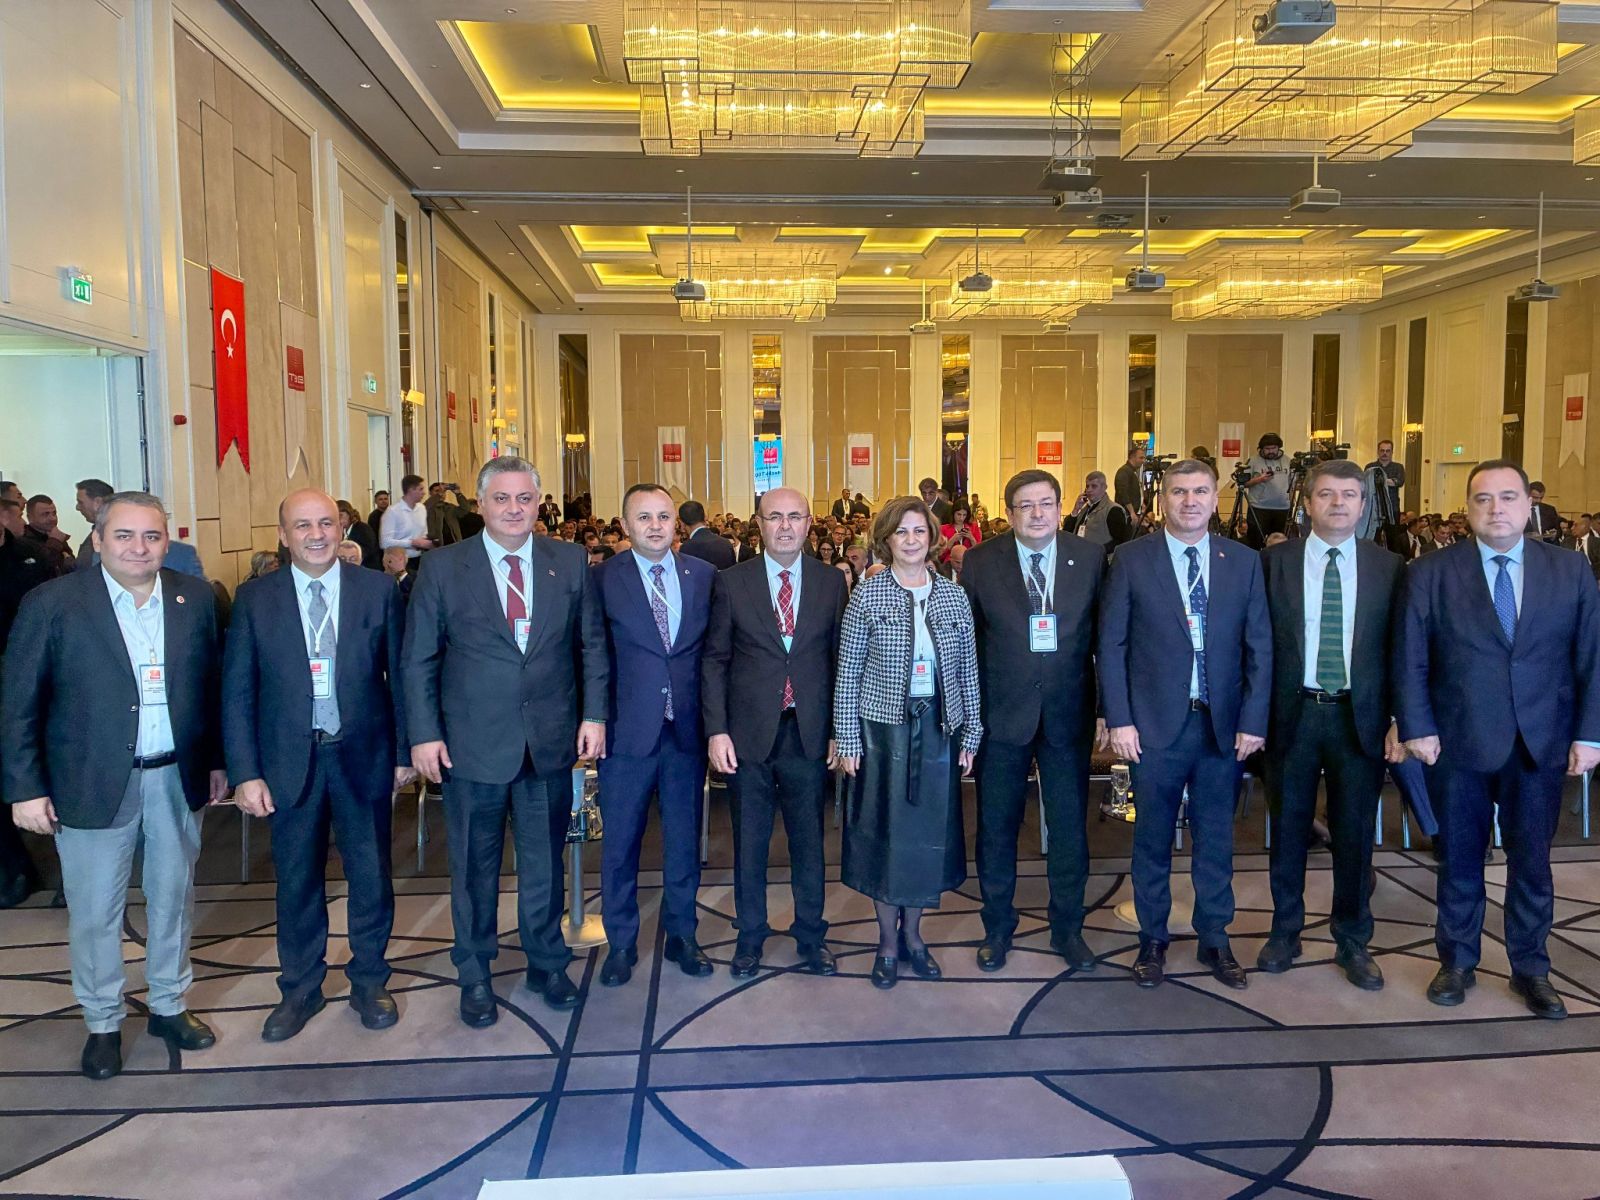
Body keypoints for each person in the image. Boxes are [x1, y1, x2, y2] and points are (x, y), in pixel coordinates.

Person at [2, 492, 226, 1080]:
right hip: (90, 781)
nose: (139, 548)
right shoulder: (53, 603)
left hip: (176, 776)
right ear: (98, 539)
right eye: (124, 535)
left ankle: (169, 1005)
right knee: (96, 911)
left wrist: (217, 761)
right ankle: (102, 1021)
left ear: (167, 541)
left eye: (152, 536)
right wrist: (24, 787)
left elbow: (211, 688)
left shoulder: (195, 597)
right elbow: (18, 702)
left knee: (174, 899)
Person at [402, 457, 607, 1020]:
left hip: (548, 742)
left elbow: (591, 646)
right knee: (475, 869)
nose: (514, 509)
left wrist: (594, 715)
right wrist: (423, 733)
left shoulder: (569, 561)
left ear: (539, 504)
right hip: (470, 745)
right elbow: (418, 658)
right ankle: (474, 972)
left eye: (524, 499)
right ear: (481, 504)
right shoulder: (442, 568)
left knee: (544, 865)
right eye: (501, 498)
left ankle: (547, 964)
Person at [1396, 460, 1600, 1018]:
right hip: (1456, 742)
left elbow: (1592, 657)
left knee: (1532, 863)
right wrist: (1416, 726)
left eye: (1508, 497)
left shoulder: (1569, 570)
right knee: (1459, 860)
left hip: (1541, 741)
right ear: (1467, 509)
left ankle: (1531, 968)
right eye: (1483, 499)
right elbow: (1410, 657)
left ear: (1530, 505)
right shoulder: (1431, 572)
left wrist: (1590, 735)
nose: (1496, 509)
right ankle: (1457, 961)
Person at [222, 490, 411, 1041]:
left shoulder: (377, 590)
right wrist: (245, 772)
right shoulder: (255, 599)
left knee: (370, 876)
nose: (316, 535)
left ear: (341, 528)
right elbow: (238, 691)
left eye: (326, 523)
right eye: (302, 525)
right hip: (288, 761)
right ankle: (300, 988)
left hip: (363, 755)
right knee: (297, 881)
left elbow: (400, 678)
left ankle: (370, 980)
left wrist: (404, 753)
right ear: (283, 536)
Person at [1099, 460, 1271, 991]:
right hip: (1152, 729)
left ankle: (1214, 937)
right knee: (1151, 838)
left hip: (1223, 728)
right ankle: (1152, 938)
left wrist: (1254, 719)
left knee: (1215, 839)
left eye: (1200, 491)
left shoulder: (1243, 561)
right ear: (1162, 500)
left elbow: (1260, 647)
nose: (1190, 501)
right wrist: (1120, 718)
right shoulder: (1131, 559)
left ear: (1215, 499)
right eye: (1178, 491)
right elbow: (1112, 644)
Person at [1258, 461, 1405, 990]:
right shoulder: (1272, 563)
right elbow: (1256, 646)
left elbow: (1401, 650)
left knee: (1355, 833)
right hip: (1291, 714)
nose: (1338, 503)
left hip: (1359, 718)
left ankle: (1353, 939)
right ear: (1307, 504)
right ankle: (1285, 931)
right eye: (1326, 494)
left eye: (1348, 495)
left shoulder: (1391, 567)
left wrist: (1399, 718)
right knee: (1288, 830)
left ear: (1363, 505)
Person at [834, 496, 981, 989]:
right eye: (902, 532)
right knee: (886, 839)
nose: (912, 540)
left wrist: (972, 732)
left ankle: (915, 936)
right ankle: (887, 943)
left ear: (932, 538)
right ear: (886, 540)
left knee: (924, 840)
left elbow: (968, 671)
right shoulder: (867, 596)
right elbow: (848, 672)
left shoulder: (954, 596)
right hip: (881, 732)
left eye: (919, 531)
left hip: (940, 729)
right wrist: (847, 739)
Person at [962, 470, 1106, 972]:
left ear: (1061, 508)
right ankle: (997, 928)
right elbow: (968, 645)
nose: (1037, 513)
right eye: (1025, 505)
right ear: (1009, 513)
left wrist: (1106, 709)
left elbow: (1105, 639)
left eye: (1046, 503)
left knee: (1068, 829)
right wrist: (969, 715)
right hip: (1001, 715)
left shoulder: (1090, 557)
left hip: (1069, 712)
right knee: (996, 828)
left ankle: (1068, 930)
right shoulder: (981, 561)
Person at [703, 487, 846, 978]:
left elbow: (839, 661)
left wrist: (839, 730)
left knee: (810, 842)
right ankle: (750, 936)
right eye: (775, 517)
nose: (785, 526)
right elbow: (715, 660)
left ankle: (811, 935)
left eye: (795, 517)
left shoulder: (831, 582)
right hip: (747, 737)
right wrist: (716, 730)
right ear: (759, 525)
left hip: (808, 733)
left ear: (809, 524)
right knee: (750, 843)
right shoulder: (730, 582)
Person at [592, 484, 716, 984]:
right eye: (643, 517)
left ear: (676, 523)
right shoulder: (601, 579)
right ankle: (621, 942)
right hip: (626, 734)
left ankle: (683, 934)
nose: (655, 525)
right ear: (625, 525)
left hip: (685, 730)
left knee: (683, 841)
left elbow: (712, 655)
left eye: (663, 516)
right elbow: (591, 655)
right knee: (620, 844)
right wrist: (592, 719)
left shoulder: (703, 576)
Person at [1242, 433, 1291, 548]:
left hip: (1282, 508)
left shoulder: (1288, 461)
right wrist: (1259, 479)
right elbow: (1243, 483)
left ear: (1279, 447)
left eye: (1273, 448)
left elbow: (1293, 482)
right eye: (1267, 449)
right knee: (1255, 543)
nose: (1271, 451)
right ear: (1262, 449)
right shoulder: (1253, 461)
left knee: (1280, 545)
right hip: (1259, 508)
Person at [1065, 471, 1134, 549]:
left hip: (1099, 555)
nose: (1089, 490)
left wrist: (1099, 550)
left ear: (1104, 487)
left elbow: (1120, 541)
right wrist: (1075, 510)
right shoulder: (1085, 509)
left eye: (1094, 486)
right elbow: (1066, 532)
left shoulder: (1114, 510)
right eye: (1087, 486)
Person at [380, 475, 433, 567]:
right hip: (398, 562)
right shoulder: (392, 512)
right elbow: (385, 542)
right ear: (411, 490)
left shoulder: (422, 509)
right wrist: (411, 543)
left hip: (420, 558)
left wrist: (427, 543)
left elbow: (424, 533)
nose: (424, 493)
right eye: (420, 489)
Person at [678, 499, 737, 571]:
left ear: (682, 523)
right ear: (704, 518)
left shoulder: (687, 548)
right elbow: (734, 572)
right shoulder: (725, 543)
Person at [23, 495, 74, 574]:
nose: (53, 518)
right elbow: (38, 569)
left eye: (54, 513)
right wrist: (55, 542)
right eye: (45, 514)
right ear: (30, 518)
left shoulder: (55, 535)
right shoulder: (22, 542)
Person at [72, 478, 115, 569]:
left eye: (81, 502)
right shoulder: (104, 530)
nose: (77, 507)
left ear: (98, 503)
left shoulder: (107, 534)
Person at [338, 500, 381, 569]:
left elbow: (368, 551)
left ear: (349, 514)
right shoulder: (344, 530)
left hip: (368, 568)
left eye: (340, 515)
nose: (338, 519)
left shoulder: (362, 528)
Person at [938, 499, 982, 563]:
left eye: (964, 515)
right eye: (959, 514)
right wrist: (952, 540)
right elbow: (940, 555)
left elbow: (979, 552)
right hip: (950, 564)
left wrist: (971, 538)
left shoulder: (974, 527)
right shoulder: (943, 529)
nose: (961, 518)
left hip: (969, 562)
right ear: (953, 513)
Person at [1113, 442, 1147, 516]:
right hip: (1126, 514)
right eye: (1141, 458)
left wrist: (1141, 504)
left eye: (1144, 458)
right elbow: (1123, 493)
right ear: (1132, 457)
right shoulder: (1124, 471)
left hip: (1132, 513)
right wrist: (1131, 512)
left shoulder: (1132, 471)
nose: (1143, 461)